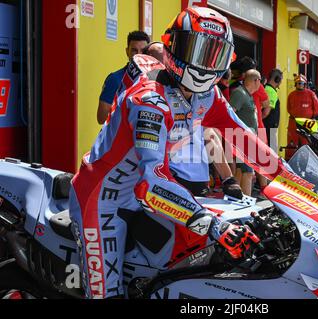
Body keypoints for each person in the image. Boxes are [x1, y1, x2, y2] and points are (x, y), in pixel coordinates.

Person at [69, 7, 285, 299]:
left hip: (141, 194)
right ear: (174, 46)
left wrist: (294, 184)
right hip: (102, 198)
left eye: (214, 55)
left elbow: (243, 139)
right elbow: (152, 183)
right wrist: (216, 226)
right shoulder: (150, 100)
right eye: (198, 51)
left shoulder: (207, 95)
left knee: (184, 268)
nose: (205, 64)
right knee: (107, 294)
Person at [97, 31, 150, 124]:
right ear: (127, 52)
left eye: (143, 51)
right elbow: (101, 119)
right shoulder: (114, 79)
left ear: (148, 53)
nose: (138, 55)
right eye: (134, 50)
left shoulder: (157, 80)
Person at [229, 69, 262, 196]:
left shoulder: (246, 94)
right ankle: (247, 207)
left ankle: (236, 200)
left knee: (240, 171)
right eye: (259, 81)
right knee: (248, 173)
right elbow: (230, 113)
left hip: (248, 139)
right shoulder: (240, 93)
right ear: (256, 81)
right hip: (243, 139)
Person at [286, 74, 318, 160]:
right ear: (295, 84)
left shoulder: (311, 94)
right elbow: (289, 108)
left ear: (305, 84)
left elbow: (317, 108)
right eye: (298, 83)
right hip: (293, 122)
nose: (300, 85)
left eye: (301, 83)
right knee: (292, 143)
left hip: (307, 123)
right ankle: (290, 161)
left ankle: (306, 161)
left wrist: (310, 117)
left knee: (306, 143)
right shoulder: (291, 95)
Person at [263, 69, 283, 153]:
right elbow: (266, 112)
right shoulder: (271, 92)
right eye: (281, 80)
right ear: (277, 79)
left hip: (267, 126)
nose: (281, 82)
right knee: (272, 154)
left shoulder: (266, 88)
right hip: (269, 127)